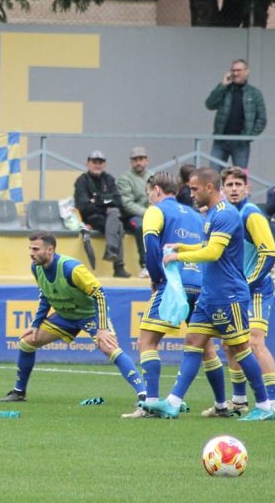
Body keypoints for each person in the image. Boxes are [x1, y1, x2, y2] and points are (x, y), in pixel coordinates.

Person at [141, 167, 275, 421]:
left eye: (194, 189)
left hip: (228, 294)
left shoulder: (226, 214)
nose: (191, 194)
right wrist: (183, 246)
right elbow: (207, 246)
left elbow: (213, 252)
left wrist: (179, 257)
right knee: (193, 341)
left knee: (240, 348)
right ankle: (173, 402)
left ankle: (265, 405)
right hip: (209, 294)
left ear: (209, 188)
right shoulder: (212, 214)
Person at [0, 231, 145, 412]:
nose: (31, 253)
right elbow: (45, 295)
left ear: (50, 250)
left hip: (89, 315)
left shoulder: (71, 269)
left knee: (109, 347)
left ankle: (144, 395)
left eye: (35, 249)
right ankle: (19, 392)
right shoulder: (36, 267)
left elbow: (99, 294)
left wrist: (102, 328)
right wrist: (36, 324)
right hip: (65, 316)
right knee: (27, 342)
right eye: (30, 249)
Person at [120, 173, 227, 419]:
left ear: (156, 190)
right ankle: (222, 404)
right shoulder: (196, 215)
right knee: (206, 347)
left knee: (147, 341)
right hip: (199, 283)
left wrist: (157, 278)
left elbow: (151, 247)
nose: (149, 197)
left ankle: (150, 404)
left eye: (149, 192)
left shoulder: (156, 211)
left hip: (174, 282)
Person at [214, 167, 275, 416]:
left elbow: (269, 253)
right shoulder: (225, 214)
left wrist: (249, 283)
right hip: (234, 290)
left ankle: (274, 401)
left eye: (238, 185)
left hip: (256, 289)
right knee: (230, 344)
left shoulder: (251, 214)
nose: (234, 189)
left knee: (254, 341)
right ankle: (239, 400)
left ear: (247, 188)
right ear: (222, 189)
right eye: (229, 185)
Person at [74, 151, 131, 278]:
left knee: (115, 216)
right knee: (118, 224)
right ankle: (118, 266)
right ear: (88, 164)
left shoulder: (109, 179)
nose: (97, 165)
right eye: (94, 162)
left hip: (109, 217)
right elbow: (83, 206)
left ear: (104, 165)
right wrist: (106, 205)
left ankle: (112, 254)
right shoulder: (82, 181)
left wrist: (97, 200)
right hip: (92, 218)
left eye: (100, 162)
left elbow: (118, 201)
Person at [205, 58, 267, 170]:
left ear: (246, 72)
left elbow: (261, 119)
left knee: (240, 175)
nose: (235, 73)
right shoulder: (225, 89)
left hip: (241, 142)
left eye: (239, 70)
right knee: (213, 174)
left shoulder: (254, 93)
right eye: (233, 70)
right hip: (220, 140)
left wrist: (248, 136)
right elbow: (209, 104)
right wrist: (222, 85)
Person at [117, 146, 149, 278]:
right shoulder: (125, 178)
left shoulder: (153, 177)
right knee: (141, 226)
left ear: (146, 160)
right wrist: (148, 214)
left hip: (153, 214)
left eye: (141, 159)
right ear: (131, 162)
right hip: (132, 217)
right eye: (135, 160)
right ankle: (145, 265)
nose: (138, 162)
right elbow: (127, 204)